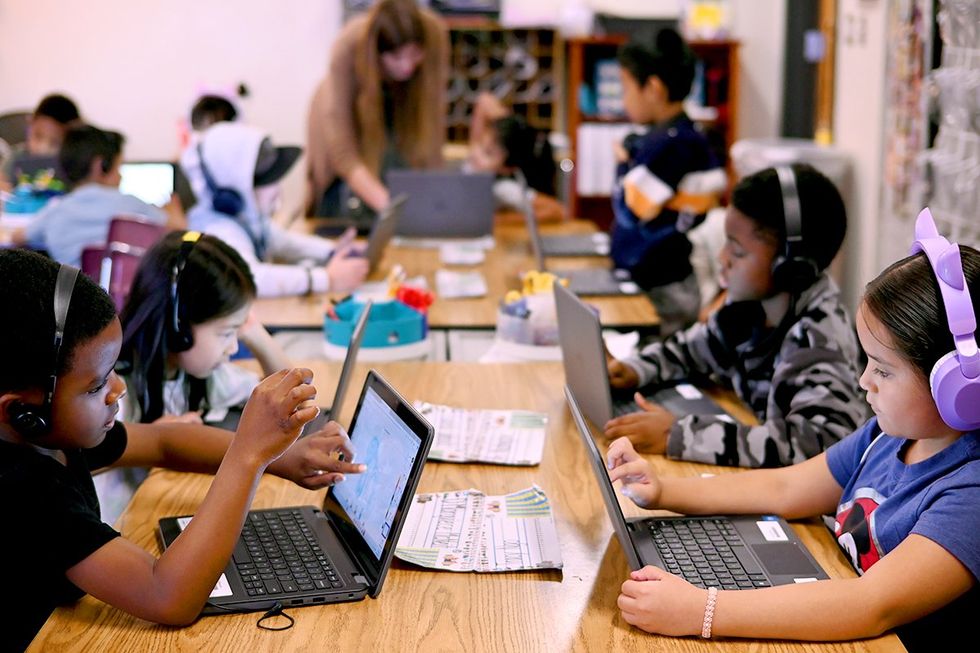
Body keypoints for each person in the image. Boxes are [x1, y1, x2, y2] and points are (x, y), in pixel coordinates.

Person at [606, 211, 980, 652]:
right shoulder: (889, 436)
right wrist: (664, 490)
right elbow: (787, 487)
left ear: (960, 387)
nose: (864, 381)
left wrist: (702, 611)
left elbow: (869, 604)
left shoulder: (970, 494)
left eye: (883, 369)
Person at [0, 248, 365, 651]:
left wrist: (284, 458)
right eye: (96, 385)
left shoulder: (51, 436)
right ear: (20, 412)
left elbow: (163, 442)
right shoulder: (22, 488)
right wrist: (249, 456)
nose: (117, 389)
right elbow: (167, 596)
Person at [605, 164, 866, 467]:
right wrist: (634, 369)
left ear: (789, 269)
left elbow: (820, 445)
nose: (722, 258)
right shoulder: (749, 309)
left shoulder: (819, 340)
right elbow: (689, 351)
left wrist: (680, 435)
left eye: (738, 251)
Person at [611, 29, 728, 336]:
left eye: (625, 88)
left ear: (653, 88)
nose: (623, 100)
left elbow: (629, 210)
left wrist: (622, 164)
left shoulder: (672, 145)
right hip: (663, 280)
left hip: (664, 288)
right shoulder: (682, 136)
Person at [118, 230, 290, 424]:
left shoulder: (205, 378)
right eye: (226, 333)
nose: (233, 348)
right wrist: (153, 438)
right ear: (178, 327)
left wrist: (256, 334)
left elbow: (288, 395)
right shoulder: (115, 392)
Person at [185, 122, 368, 297]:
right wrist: (326, 279)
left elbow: (283, 241)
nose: (276, 190)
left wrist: (332, 250)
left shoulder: (244, 217)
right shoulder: (217, 230)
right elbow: (250, 277)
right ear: (232, 191)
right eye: (265, 182)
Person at [305, 0, 448, 216]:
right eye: (396, 57)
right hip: (344, 116)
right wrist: (390, 208)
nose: (406, 65)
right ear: (377, 52)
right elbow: (342, 151)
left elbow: (433, 125)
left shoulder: (434, 35)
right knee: (348, 199)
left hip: (400, 104)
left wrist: (436, 203)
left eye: (414, 54)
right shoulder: (349, 43)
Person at [11, 124, 184, 266]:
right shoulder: (130, 204)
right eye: (118, 167)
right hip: (122, 296)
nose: (121, 177)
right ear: (100, 165)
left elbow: (17, 238)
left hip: (73, 296)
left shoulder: (55, 210)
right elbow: (181, 232)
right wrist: (174, 210)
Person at [466, 92, 564, 222]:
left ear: (506, 168)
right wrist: (509, 123)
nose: (477, 155)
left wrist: (499, 220)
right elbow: (484, 100)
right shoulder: (476, 158)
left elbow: (557, 211)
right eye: (483, 147)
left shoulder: (503, 189)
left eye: (489, 153)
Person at [0, 93, 81, 192]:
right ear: (30, 124)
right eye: (37, 136)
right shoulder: (15, 157)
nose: (43, 148)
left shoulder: (75, 168)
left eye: (55, 143)